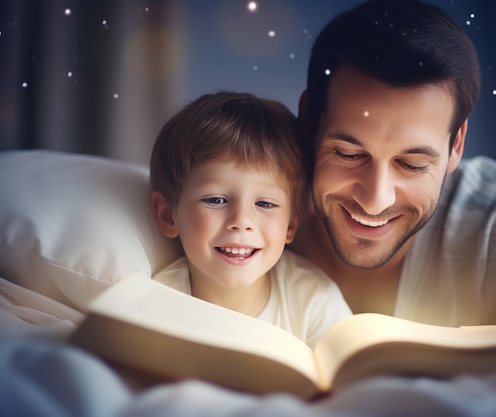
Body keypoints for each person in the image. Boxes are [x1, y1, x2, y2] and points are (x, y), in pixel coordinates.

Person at [290, 0, 496, 327]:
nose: (375, 200)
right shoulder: (248, 203)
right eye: (349, 155)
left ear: (456, 145)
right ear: (309, 120)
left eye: (411, 164)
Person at [149, 91, 352, 348]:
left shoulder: (314, 301)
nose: (241, 221)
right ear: (168, 215)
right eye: (216, 200)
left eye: (265, 204)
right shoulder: (154, 305)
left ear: (290, 225)